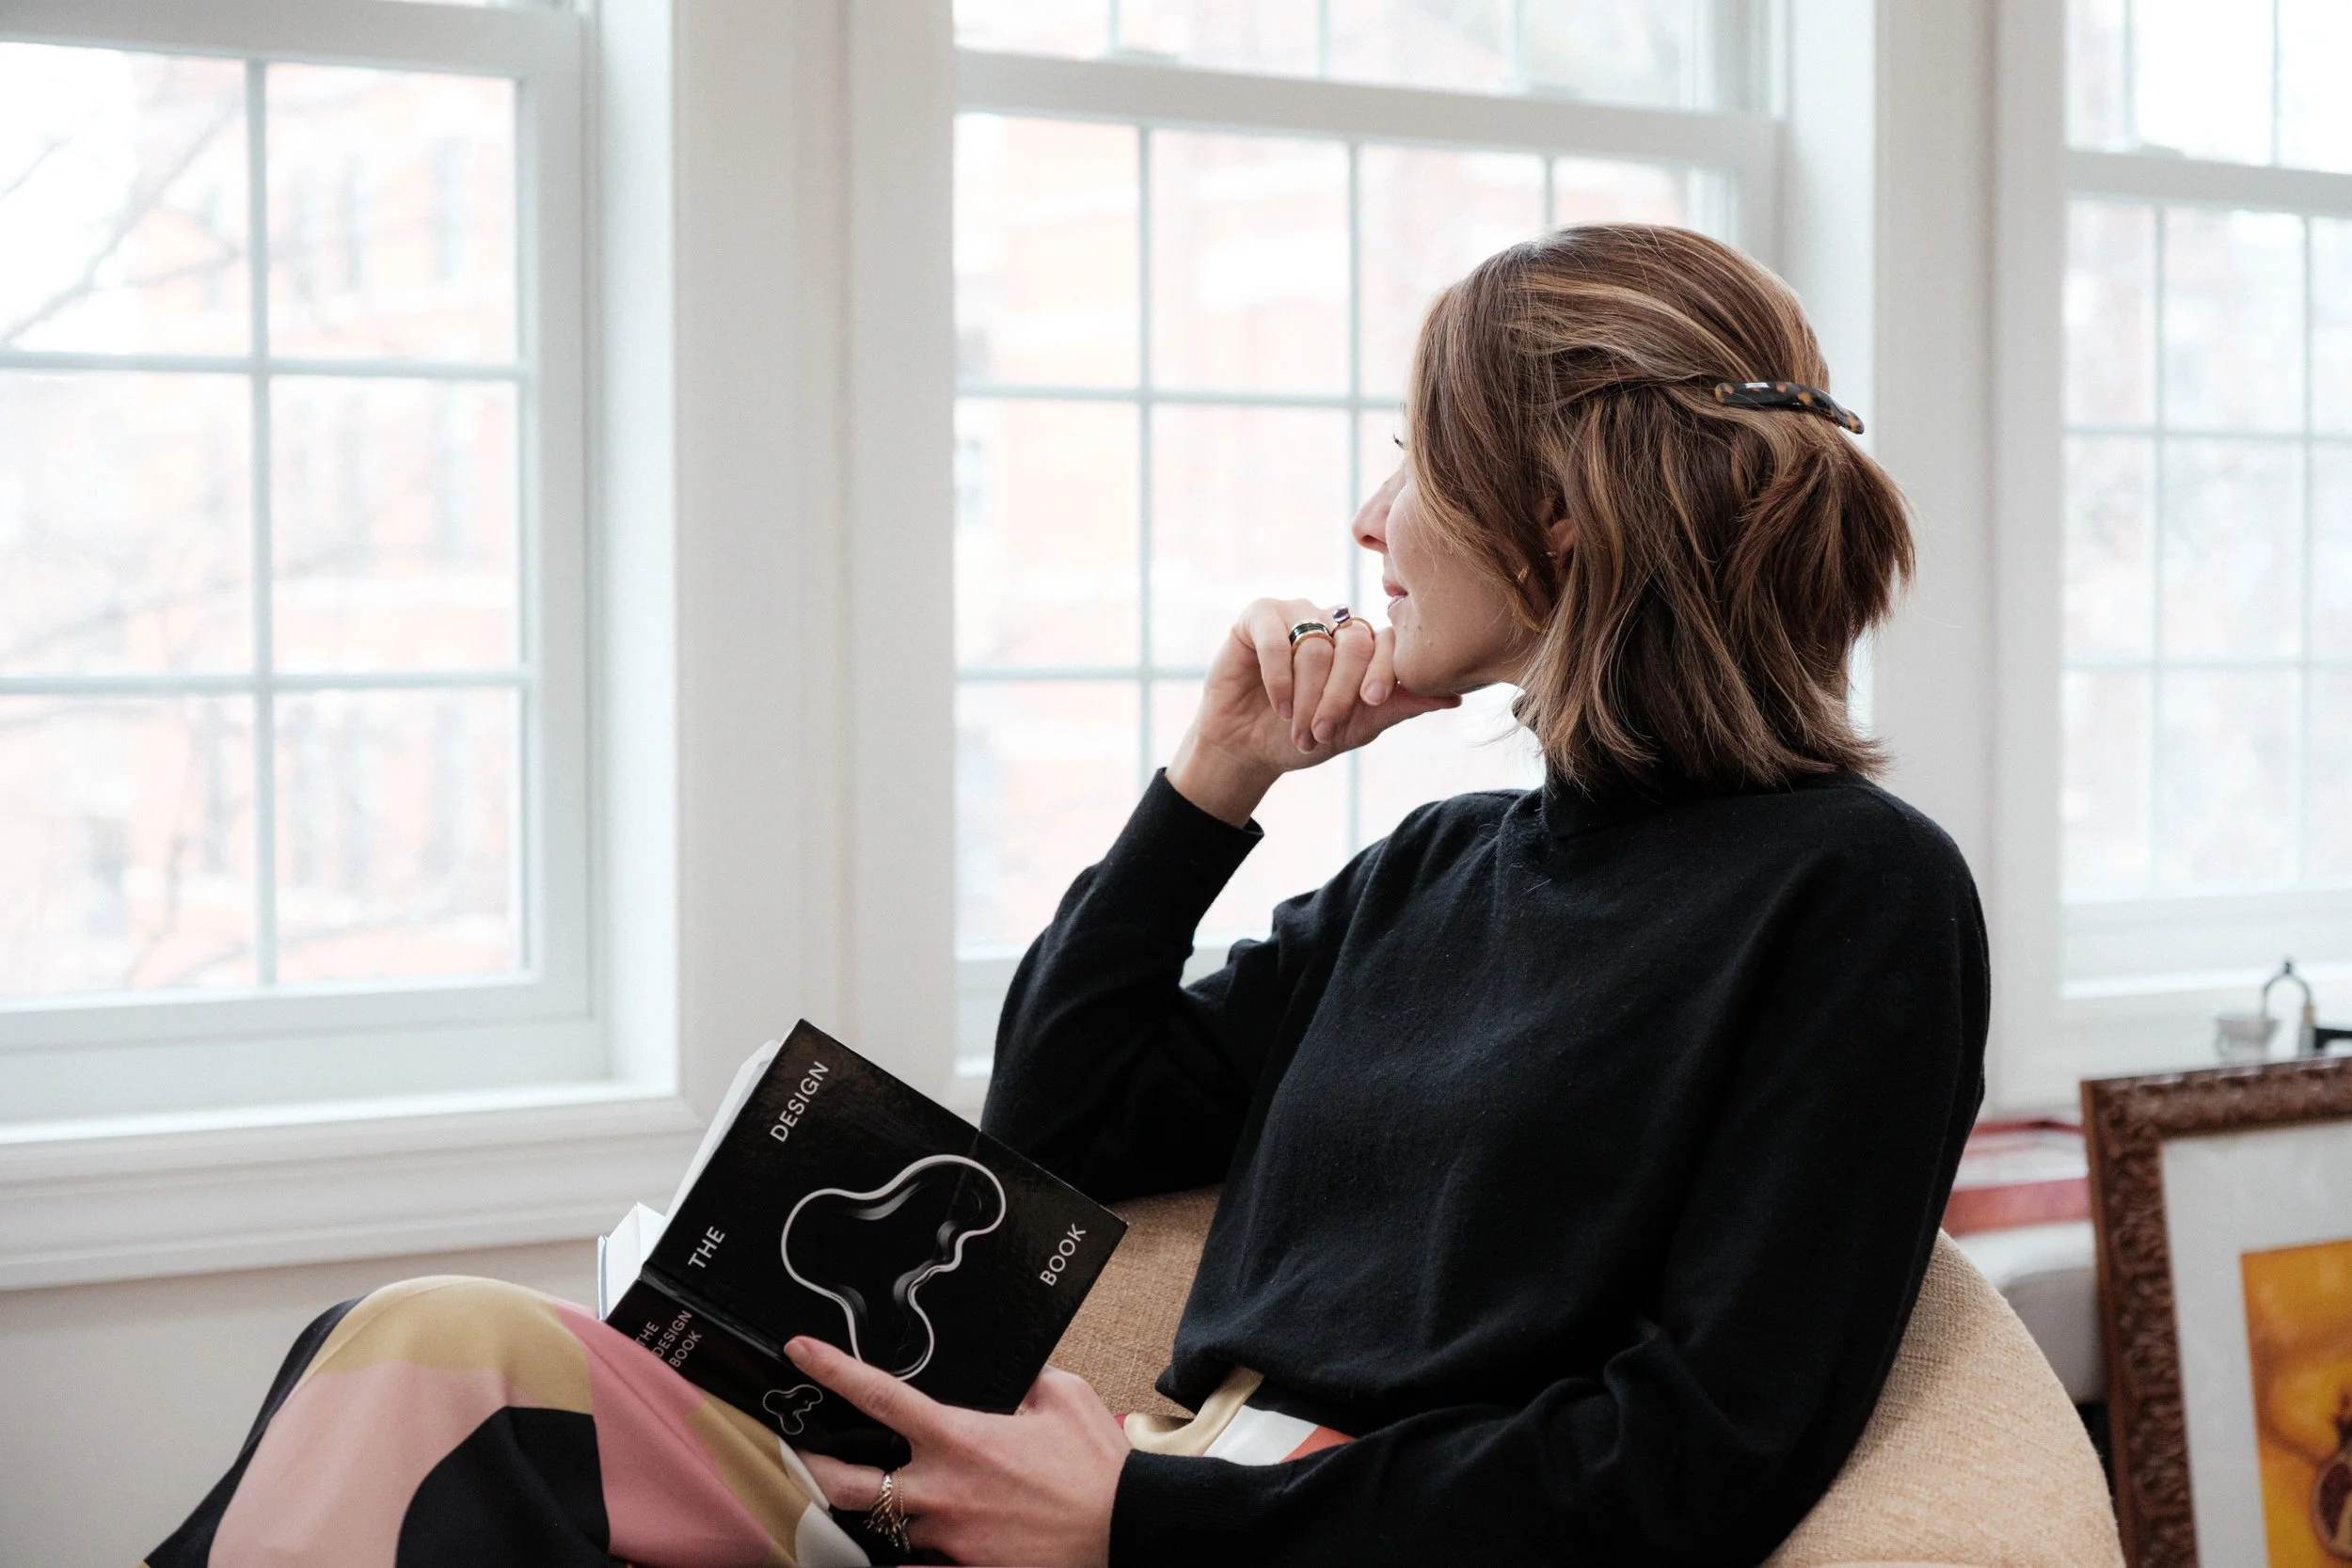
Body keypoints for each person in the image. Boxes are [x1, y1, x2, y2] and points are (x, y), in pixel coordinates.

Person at [150, 224, 1984, 1568]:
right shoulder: (1439, 866)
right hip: (1103, 1501)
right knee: (413, 1351)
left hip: (1214, 1537)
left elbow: (1692, 1455)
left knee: (423, 1403)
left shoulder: (1854, 897)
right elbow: (1065, 1126)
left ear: (1560, 518)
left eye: (1410, 459)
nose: (1366, 517)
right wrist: (1210, 786)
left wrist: (1137, 1515)